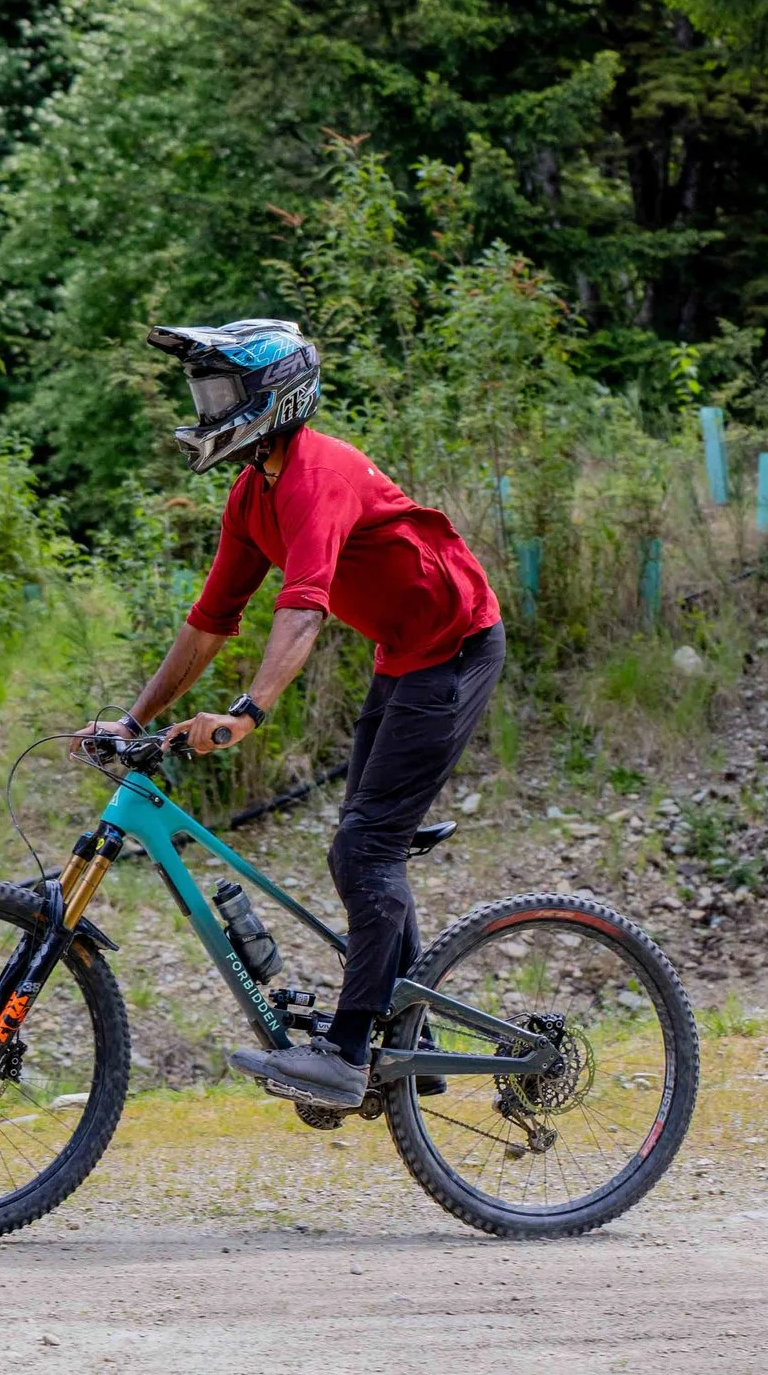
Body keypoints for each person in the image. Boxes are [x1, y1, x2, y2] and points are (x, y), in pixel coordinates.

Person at [83, 318, 504, 1110]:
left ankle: (347, 1056)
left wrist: (248, 711)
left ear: (273, 398)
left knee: (363, 850)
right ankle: (415, 1045)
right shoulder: (253, 494)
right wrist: (133, 720)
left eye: (221, 393)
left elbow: (303, 612)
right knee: (362, 848)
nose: (207, 408)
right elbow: (211, 619)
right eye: (203, 392)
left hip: (456, 645)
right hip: (405, 654)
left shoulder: (316, 474)